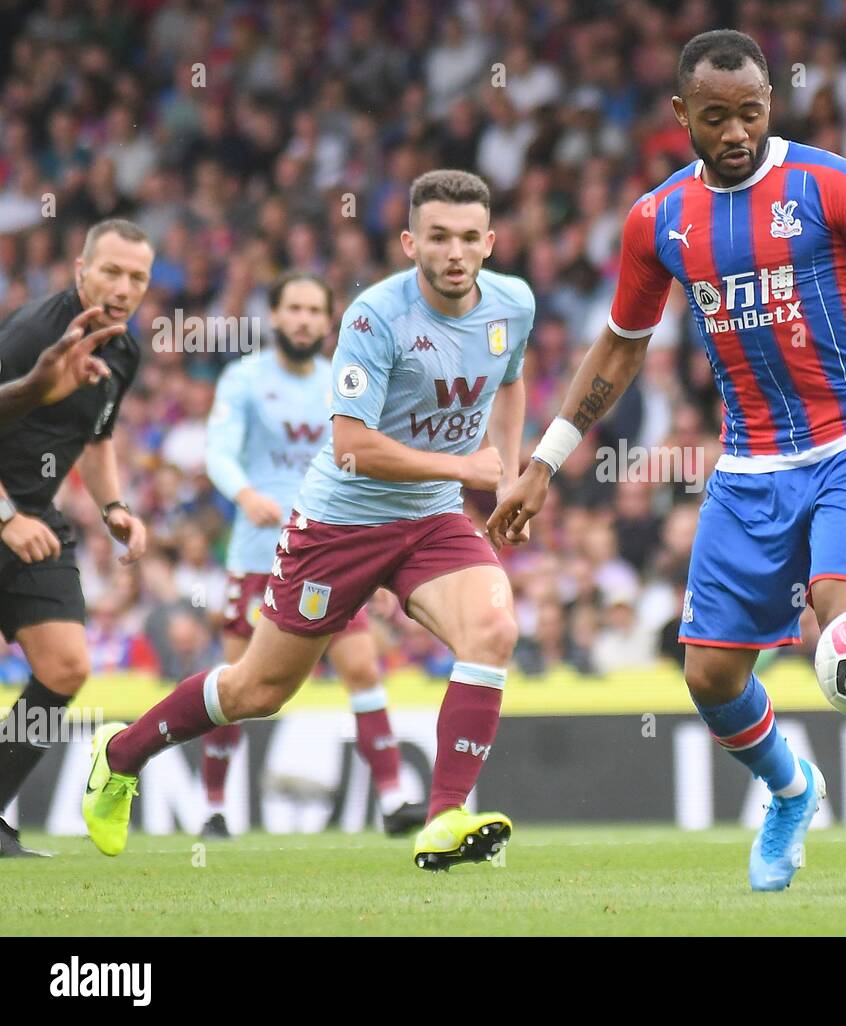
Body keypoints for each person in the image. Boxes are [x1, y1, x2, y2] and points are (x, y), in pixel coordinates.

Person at [490, 30, 846, 894]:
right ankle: (792, 789)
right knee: (710, 674)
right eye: (717, 117)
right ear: (681, 115)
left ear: (773, 103)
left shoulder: (830, 184)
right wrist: (545, 460)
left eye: (752, 113)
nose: (736, 133)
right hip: (751, 465)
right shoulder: (658, 220)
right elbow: (618, 348)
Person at [84, 170, 527, 872]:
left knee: (495, 631)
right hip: (337, 526)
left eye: (470, 238)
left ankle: (442, 817)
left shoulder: (512, 304)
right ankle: (119, 754)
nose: (455, 252)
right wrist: (465, 469)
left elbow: (510, 378)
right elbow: (352, 449)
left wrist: (512, 470)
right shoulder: (373, 318)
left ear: (490, 242)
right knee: (256, 691)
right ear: (411, 242)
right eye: (438, 237)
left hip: (432, 520)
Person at [200, 270, 425, 839]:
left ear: (329, 321)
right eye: (292, 308)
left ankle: (397, 800)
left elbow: (372, 459)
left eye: (313, 310)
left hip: (330, 551)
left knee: (361, 667)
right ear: (275, 316)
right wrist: (245, 494)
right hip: (258, 556)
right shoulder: (244, 379)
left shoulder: (342, 382)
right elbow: (217, 453)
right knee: (237, 684)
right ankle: (213, 807)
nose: (302, 319)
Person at [0, 219, 152, 858]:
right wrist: (6, 516)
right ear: (80, 269)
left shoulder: (123, 350)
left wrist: (113, 504)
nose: (123, 287)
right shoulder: (35, 333)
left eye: (137, 277)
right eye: (111, 271)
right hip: (11, 512)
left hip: (35, 515)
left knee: (65, 666)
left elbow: (97, 436)